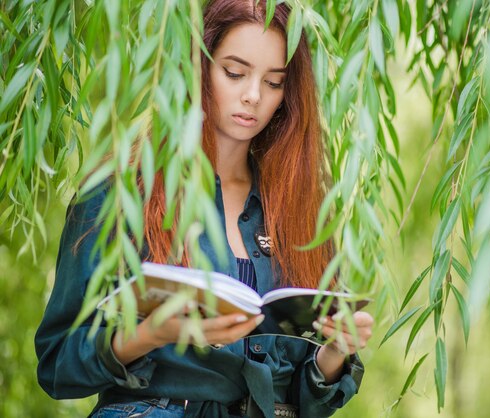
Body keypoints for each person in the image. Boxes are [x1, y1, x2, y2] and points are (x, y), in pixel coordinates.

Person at [35, 1, 374, 417]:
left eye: (273, 82)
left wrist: (334, 353)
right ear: (197, 67)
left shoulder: (300, 212)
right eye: (234, 73)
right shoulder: (119, 193)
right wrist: (148, 334)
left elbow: (304, 399)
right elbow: (57, 365)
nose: (253, 96)